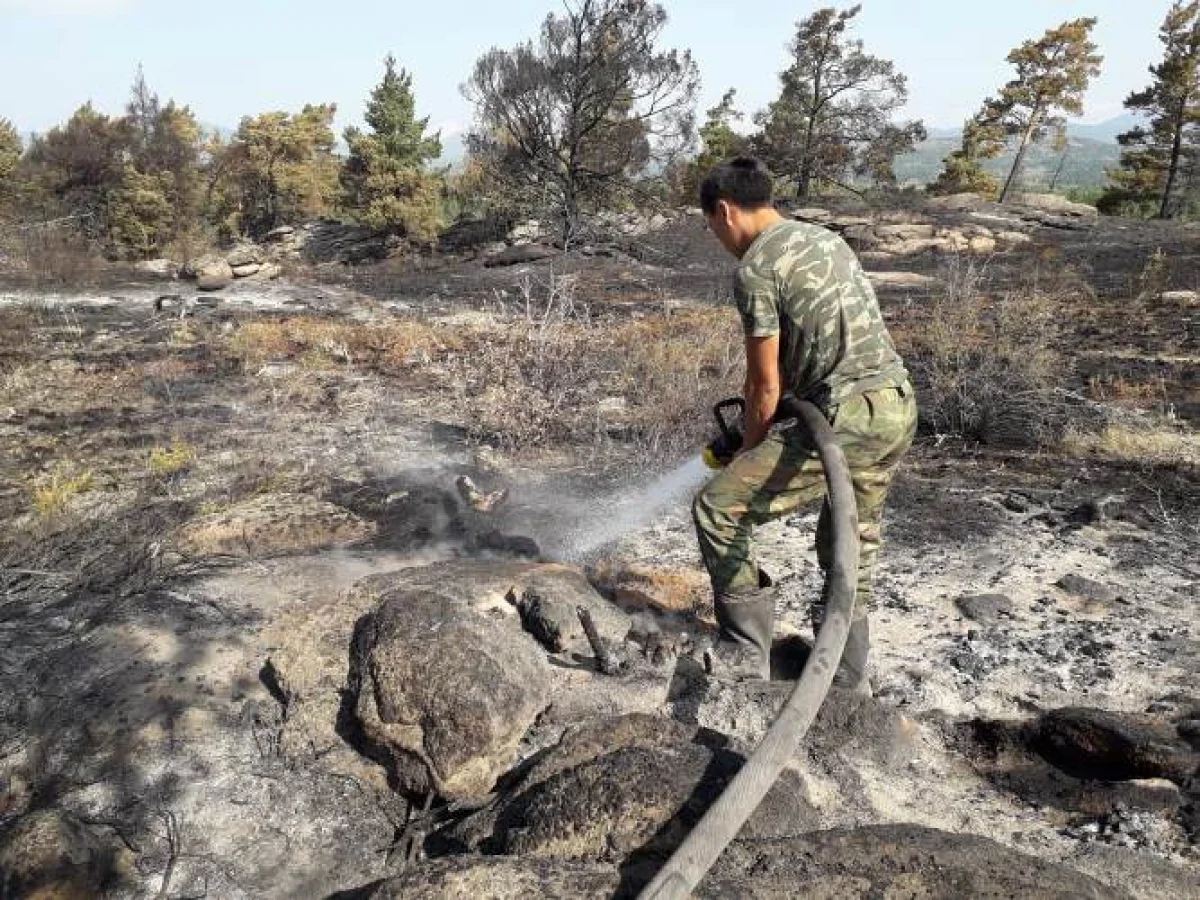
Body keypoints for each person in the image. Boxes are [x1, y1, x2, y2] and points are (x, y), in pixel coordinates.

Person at [693, 156, 917, 688]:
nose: (717, 235)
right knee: (851, 537)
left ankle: (746, 659)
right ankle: (846, 678)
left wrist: (747, 449)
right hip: (897, 406)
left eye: (711, 224)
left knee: (718, 508)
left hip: (844, 419)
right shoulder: (826, 240)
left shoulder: (755, 268)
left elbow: (765, 386)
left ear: (724, 210)